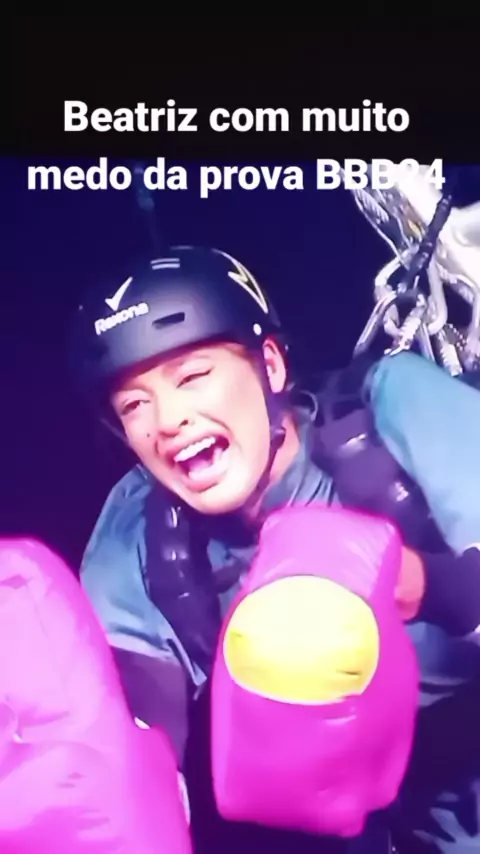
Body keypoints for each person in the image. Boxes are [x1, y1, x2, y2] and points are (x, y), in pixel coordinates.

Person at [72, 246, 480, 853]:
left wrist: (419, 583)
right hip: (377, 822)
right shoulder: (138, 529)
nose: (168, 419)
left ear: (269, 365)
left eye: (193, 376)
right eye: (134, 404)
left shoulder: (394, 407)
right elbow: (132, 742)